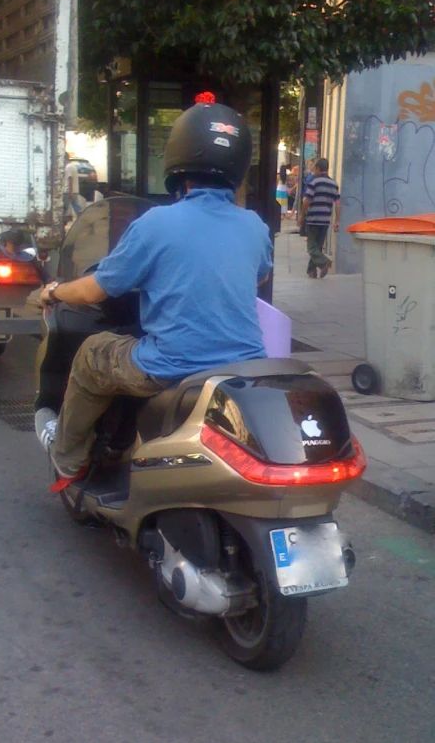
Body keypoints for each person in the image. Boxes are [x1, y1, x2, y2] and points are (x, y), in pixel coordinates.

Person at [36, 102, 273, 481]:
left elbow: (95, 292)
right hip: (244, 367)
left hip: (170, 367)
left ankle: (67, 457)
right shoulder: (255, 227)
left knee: (91, 355)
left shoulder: (157, 223)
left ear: (178, 159)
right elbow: (259, 277)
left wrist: (55, 291)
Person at [298, 157, 340, 279]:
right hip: (325, 220)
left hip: (313, 219)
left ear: (317, 168)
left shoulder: (314, 182)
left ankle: (324, 262)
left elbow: (307, 200)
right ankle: (312, 272)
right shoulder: (333, 184)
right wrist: (337, 220)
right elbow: (337, 203)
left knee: (311, 247)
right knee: (318, 246)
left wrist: (302, 214)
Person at [63, 152, 84, 222]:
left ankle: (62, 223)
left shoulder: (68, 167)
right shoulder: (73, 166)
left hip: (68, 191)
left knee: (64, 208)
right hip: (74, 191)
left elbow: (70, 179)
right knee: (76, 206)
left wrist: (70, 192)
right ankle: (82, 219)